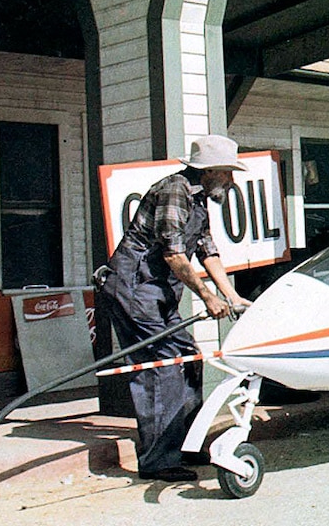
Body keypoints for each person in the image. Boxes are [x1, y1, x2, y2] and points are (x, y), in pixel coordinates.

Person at [98, 134, 252, 483]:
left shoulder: (199, 201)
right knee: (161, 366)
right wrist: (207, 297)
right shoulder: (175, 190)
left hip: (157, 291)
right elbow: (173, 253)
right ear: (210, 171)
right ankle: (157, 460)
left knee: (188, 358)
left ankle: (186, 444)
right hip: (133, 288)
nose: (231, 180)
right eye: (227, 173)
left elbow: (206, 249)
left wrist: (230, 294)